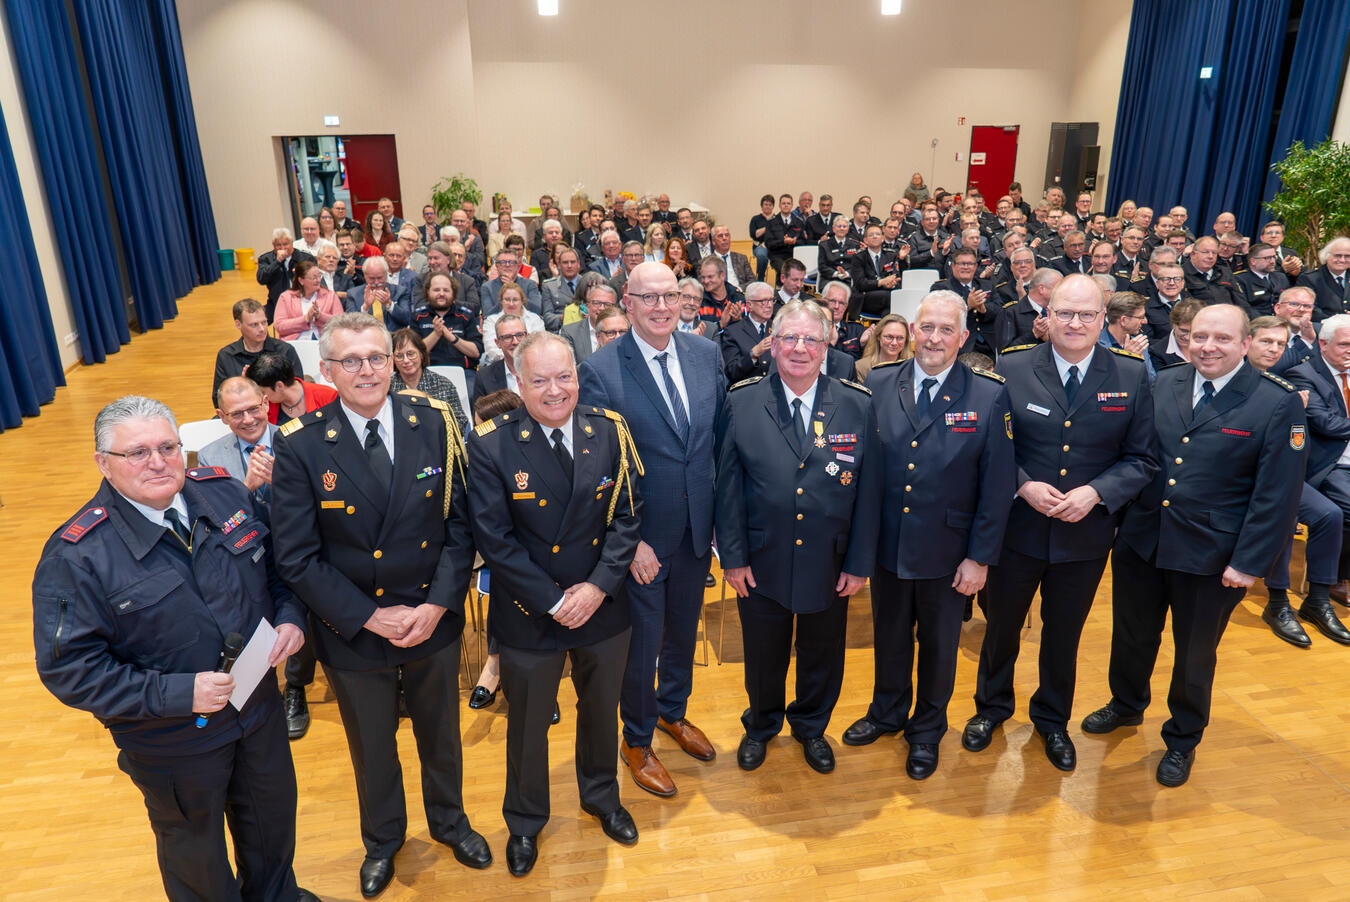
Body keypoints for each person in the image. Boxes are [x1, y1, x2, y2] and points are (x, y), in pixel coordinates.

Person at [32, 396, 314, 902]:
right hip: (174, 741)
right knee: (197, 860)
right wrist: (180, 693)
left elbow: (278, 573)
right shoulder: (76, 556)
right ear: (104, 464)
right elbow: (71, 670)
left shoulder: (226, 494)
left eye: (167, 446)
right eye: (137, 453)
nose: (158, 462)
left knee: (273, 833)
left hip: (258, 712)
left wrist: (290, 619)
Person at [271, 313, 491, 896]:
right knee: (372, 746)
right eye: (352, 361)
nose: (367, 370)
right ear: (327, 370)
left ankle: (450, 822)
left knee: (440, 735)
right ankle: (384, 840)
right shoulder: (301, 444)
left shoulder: (437, 422)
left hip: (431, 619)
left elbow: (461, 527)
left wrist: (438, 605)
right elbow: (295, 557)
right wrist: (370, 616)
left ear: (394, 362)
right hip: (354, 628)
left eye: (377, 357)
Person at [1081, 305, 1307, 787]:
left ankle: (1183, 738)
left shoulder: (1275, 402)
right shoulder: (1163, 382)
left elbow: (1276, 494)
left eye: (1221, 339)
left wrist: (1249, 564)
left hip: (1213, 556)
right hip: (1143, 542)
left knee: (1194, 654)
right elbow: (1136, 457)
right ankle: (1126, 704)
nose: (1207, 347)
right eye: (1199, 336)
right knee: (1132, 635)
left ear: (1245, 343)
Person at [963, 274, 1158, 772]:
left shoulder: (1132, 375)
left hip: (1085, 535)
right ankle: (991, 708)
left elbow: (1142, 459)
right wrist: (1023, 483)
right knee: (1001, 627)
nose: (1075, 323)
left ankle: (1052, 720)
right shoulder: (1012, 366)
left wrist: (1098, 493)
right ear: (1046, 315)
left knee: (1063, 634)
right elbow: (991, 448)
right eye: (1065, 313)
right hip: (1017, 530)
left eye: (1086, 315)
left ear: (1103, 318)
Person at [467, 332, 643, 876]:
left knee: (599, 710)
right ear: (517, 383)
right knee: (525, 725)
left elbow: (629, 517)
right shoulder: (491, 442)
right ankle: (524, 822)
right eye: (539, 380)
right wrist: (552, 600)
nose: (554, 390)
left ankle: (601, 796)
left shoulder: (609, 430)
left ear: (578, 374)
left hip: (602, 605)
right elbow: (495, 539)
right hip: (529, 609)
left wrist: (596, 588)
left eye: (564, 376)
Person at [842, 292, 1016, 779]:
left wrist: (980, 558)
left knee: (940, 646)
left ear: (962, 338)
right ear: (912, 331)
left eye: (946, 330)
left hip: (949, 550)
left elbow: (998, 482)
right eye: (927, 327)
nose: (934, 338)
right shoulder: (878, 381)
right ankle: (887, 712)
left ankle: (926, 731)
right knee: (890, 635)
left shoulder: (987, 393)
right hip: (888, 544)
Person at [578, 261, 727, 798]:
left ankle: (673, 713)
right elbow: (597, 468)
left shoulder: (705, 354)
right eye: (649, 298)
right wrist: (630, 541)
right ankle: (637, 739)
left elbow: (716, 442)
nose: (662, 307)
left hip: (695, 531)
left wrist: (717, 526)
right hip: (639, 540)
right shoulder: (600, 368)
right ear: (629, 301)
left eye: (670, 296)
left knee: (683, 634)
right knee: (643, 647)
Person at [716, 299, 880, 775]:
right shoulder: (742, 400)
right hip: (761, 558)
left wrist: (858, 562)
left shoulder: (855, 402)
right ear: (772, 343)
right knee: (763, 654)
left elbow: (869, 491)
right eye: (789, 338)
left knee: (822, 652)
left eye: (811, 339)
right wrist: (733, 556)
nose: (800, 348)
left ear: (827, 344)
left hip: (830, 561)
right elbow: (727, 485)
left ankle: (810, 726)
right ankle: (762, 725)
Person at [199, 377, 319, 740]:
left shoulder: (301, 438)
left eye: (254, 409)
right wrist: (244, 490)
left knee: (304, 609)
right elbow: (214, 520)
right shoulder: (210, 456)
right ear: (222, 416)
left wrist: (282, 483)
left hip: (302, 546)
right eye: (237, 414)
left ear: (267, 401)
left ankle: (296, 685)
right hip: (247, 556)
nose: (249, 419)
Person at [1245, 316, 1342, 647]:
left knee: (1330, 515)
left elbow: (1293, 443)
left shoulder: (1282, 384)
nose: (1274, 349)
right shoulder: (1230, 378)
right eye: (1266, 342)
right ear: (1247, 342)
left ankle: (1317, 599)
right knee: (1283, 514)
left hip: (1276, 473)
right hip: (1235, 477)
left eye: (1280, 344)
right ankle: (1277, 602)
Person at [1283, 313, 1350, 634]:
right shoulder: (1304, 373)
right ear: (1323, 343)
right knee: (1344, 508)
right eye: (1345, 345)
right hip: (1331, 464)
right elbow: (1326, 423)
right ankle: (1335, 578)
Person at [212, 298, 304, 408]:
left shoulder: (285, 350)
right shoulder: (226, 356)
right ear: (238, 324)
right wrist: (241, 385)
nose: (262, 329)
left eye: (264, 322)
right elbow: (218, 400)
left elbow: (297, 391)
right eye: (254, 325)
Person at [389, 328, 469, 433]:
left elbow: (460, 421)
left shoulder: (443, 384)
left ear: (421, 354)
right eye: (399, 356)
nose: (406, 360)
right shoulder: (387, 387)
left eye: (411, 354)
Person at [249, 350, 338, 427]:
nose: (261, 396)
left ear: (279, 386)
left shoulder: (328, 397)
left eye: (263, 391)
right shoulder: (266, 406)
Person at [721, 282, 778, 382]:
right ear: (749, 305)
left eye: (771, 300)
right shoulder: (733, 331)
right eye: (763, 301)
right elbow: (731, 372)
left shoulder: (778, 328)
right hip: (747, 391)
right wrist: (754, 354)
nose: (769, 305)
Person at [273, 260, 343, 341]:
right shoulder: (286, 297)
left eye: (319, 276)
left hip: (324, 342)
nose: (318, 280)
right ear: (301, 280)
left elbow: (341, 322)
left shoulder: (330, 296)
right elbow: (279, 326)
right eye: (314, 278)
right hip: (294, 342)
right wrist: (305, 319)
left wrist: (320, 316)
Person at [483, 282, 546, 365]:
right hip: (500, 364)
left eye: (515, 300)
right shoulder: (491, 321)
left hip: (532, 364)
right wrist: (511, 360)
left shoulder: (535, 319)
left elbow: (540, 346)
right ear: (501, 301)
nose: (511, 304)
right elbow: (492, 350)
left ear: (522, 301)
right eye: (507, 299)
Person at [854, 313, 912, 381]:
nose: (894, 343)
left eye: (900, 338)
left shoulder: (911, 367)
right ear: (878, 336)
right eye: (889, 337)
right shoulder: (861, 367)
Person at [749, 194, 775, 281]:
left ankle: (780, 283)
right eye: (766, 204)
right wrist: (768, 226)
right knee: (761, 255)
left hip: (775, 247)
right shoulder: (755, 219)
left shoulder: (778, 218)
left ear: (773, 206)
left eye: (770, 205)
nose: (768, 207)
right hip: (759, 246)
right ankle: (760, 279)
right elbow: (754, 234)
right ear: (762, 206)